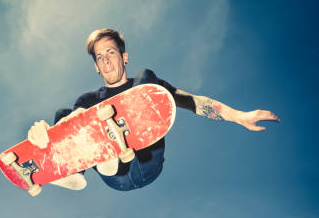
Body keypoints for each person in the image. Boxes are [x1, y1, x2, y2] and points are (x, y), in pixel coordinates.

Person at [28, 28, 280, 191]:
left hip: (148, 163)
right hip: (116, 177)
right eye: (100, 58)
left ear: (124, 57)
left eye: (111, 53)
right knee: (68, 113)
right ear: (96, 67)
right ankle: (74, 169)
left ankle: (110, 151)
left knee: (147, 77)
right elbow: (75, 119)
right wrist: (49, 136)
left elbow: (193, 102)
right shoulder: (90, 98)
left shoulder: (145, 87)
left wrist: (238, 116)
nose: (106, 61)